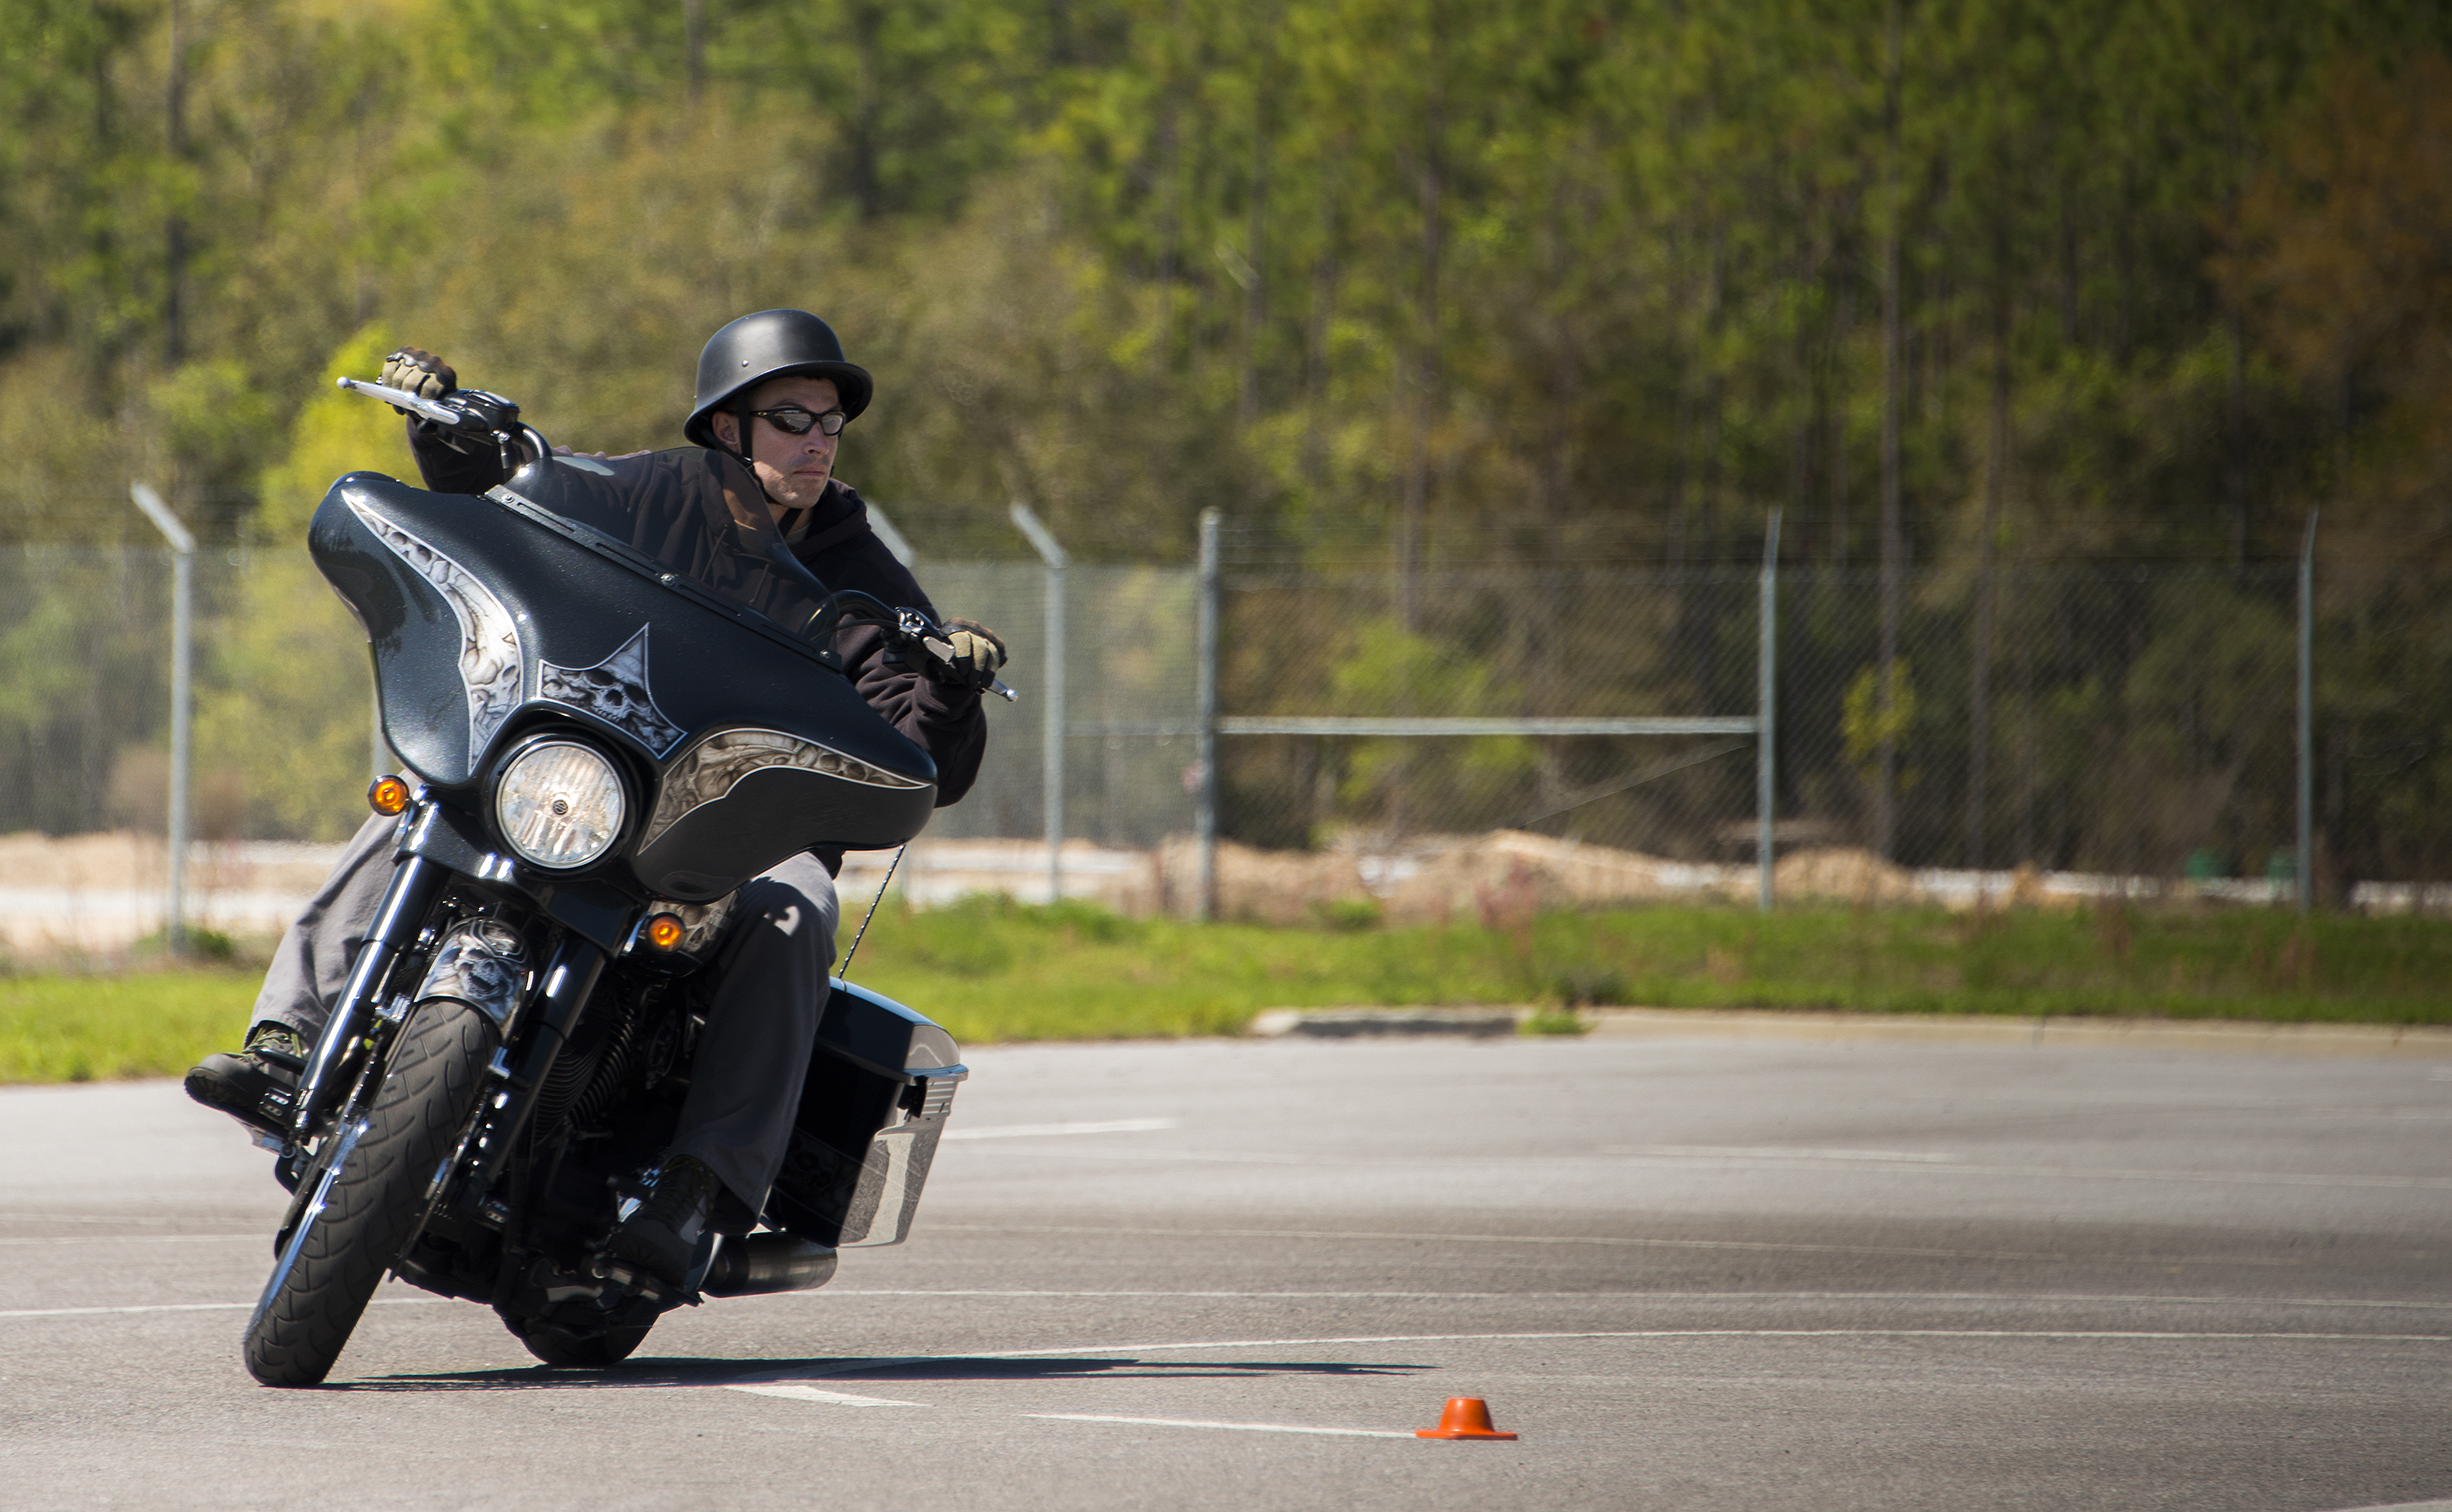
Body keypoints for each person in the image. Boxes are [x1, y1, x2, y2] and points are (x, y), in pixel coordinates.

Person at [186, 310, 1005, 1284]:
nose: (818, 441)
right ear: (728, 426)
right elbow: (520, 506)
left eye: (832, 424)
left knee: (801, 905)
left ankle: (698, 1189)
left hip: (734, 826)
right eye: (793, 417)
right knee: (431, 793)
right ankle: (289, 1037)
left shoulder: (865, 584)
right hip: (597, 777)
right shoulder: (645, 494)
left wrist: (949, 689)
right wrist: (451, 436)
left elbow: (923, 753)